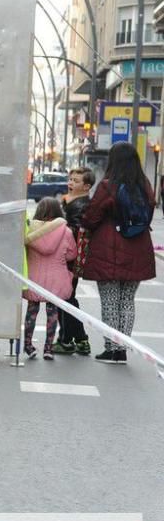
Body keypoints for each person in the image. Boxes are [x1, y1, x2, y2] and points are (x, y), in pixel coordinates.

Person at [81, 141, 156, 364]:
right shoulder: (145, 185)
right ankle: (123, 349)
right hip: (139, 247)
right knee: (127, 301)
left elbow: (92, 216)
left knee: (110, 301)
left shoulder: (108, 185)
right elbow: (149, 213)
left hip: (109, 247)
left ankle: (112, 349)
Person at [23, 198, 77, 360]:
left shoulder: (29, 231)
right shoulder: (65, 232)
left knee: (31, 312)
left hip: (34, 278)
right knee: (52, 314)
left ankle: (28, 346)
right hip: (56, 280)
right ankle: (48, 349)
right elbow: (71, 254)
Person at [52, 167, 94, 355]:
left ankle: (68, 340)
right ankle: (79, 339)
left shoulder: (82, 205)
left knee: (65, 298)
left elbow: (74, 233)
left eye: (76, 181)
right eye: (70, 179)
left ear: (86, 186)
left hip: (69, 258)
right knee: (67, 298)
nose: (70, 183)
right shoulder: (68, 201)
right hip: (62, 257)